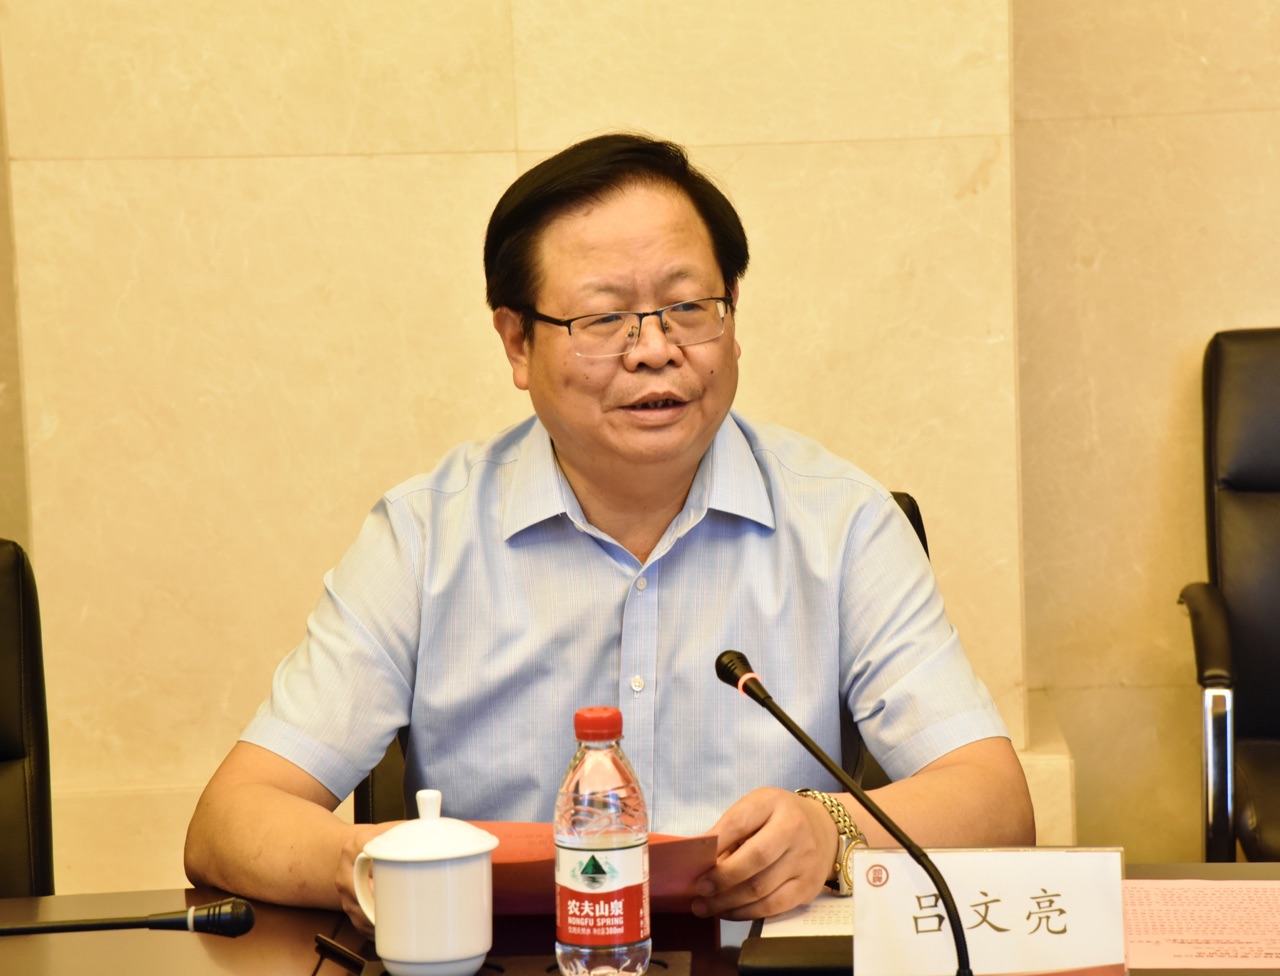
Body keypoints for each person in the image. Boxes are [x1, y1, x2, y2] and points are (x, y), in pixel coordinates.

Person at [184, 132, 1034, 933]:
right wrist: (375, 864)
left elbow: (995, 802)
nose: (655, 349)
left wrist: (832, 831)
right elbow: (230, 821)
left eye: (688, 306)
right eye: (603, 318)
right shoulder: (424, 539)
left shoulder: (843, 524)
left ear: (733, 318)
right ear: (517, 343)